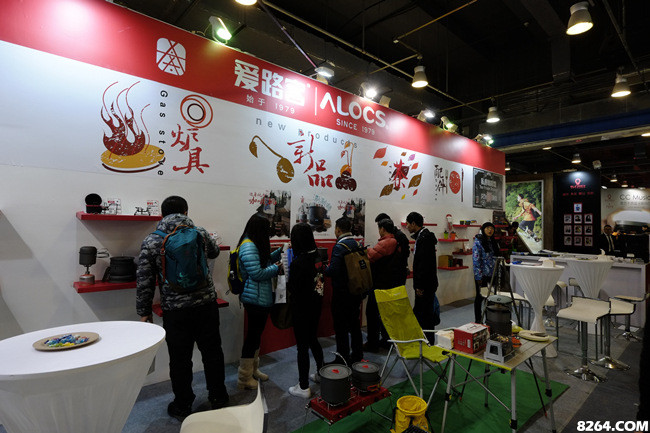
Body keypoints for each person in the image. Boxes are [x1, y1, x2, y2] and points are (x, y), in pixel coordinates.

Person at [136, 195, 228, 421]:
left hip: (175, 310)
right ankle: (219, 397)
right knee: (212, 352)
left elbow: (145, 279)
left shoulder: (152, 240)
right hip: (206, 305)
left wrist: (144, 312)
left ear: (162, 214)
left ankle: (183, 404)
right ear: (186, 212)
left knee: (180, 359)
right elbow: (215, 252)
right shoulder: (201, 233)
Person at [237, 214, 283, 390]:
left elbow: (262, 261)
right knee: (252, 337)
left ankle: (252, 370)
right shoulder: (248, 246)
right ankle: (244, 378)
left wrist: (278, 253)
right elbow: (257, 273)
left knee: (256, 336)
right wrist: (276, 268)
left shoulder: (253, 243)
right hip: (254, 298)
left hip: (259, 297)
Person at [286, 223, 325, 398]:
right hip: (316, 305)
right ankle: (321, 373)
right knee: (313, 340)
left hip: (301, 309)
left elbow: (292, 288)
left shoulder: (298, 263)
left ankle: (303, 386)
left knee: (302, 346)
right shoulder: (317, 256)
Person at [323, 217, 364, 365]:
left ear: (338, 229)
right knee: (354, 324)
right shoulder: (357, 244)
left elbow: (333, 271)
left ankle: (342, 358)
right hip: (356, 290)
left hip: (341, 293)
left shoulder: (340, 247)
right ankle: (357, 354)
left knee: (340, 327)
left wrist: (324, 267)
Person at [364, 218, 402, 352]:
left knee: (371, 313)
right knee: (386, 314)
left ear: (382, 229)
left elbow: (371, 257)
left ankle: (372, 343)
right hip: (389, 283)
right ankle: (386, 340)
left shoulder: (385, 243)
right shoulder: (395, 242)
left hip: (379, 284)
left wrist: (366, 250)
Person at [405, 211, 439, 341]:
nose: (407, 226)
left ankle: (427, 342)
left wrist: (420, 285)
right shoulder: (423, 237)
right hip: (427, 283)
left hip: (425, 285)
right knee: (423, 314)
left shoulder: (424, 239)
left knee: (425, 316)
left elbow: (423, 264)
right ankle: (424, 340)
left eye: (408, 224)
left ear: (414, 223)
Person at [472, 222, 501, 322]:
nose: (490, 230)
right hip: (482, 276)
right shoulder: (478, 242)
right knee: (480, 298)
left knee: (491, 298)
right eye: (487, 228)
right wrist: (478, 276)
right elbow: (476, 260)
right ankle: (478, 320)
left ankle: (489, 320)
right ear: (483, 230)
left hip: (493, 275)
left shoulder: (493, 242)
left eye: (491, 228)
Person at [375, 213, 410, 285]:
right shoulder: (389, 235)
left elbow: (405, 254)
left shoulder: (399, 236)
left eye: (380, 226)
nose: (379, 229)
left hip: (397, 273)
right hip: (389, 273)